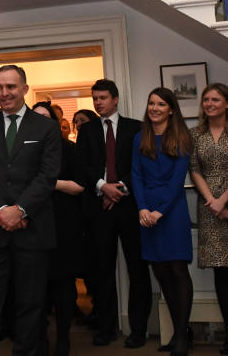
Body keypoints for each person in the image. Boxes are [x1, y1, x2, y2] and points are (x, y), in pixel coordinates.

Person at [0, 65, 61, 356]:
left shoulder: (46, 127)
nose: (4, 93)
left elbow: (47, 177)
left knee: (30, 304)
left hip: (33, 231)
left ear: (24, 89)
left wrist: (19, 210)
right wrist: (1, 211)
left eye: (10, 87)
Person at [77, 79, 151, 348]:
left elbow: (142, 164)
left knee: (137, 270)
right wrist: (102, 187)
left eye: (103, 98)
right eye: (95, 98)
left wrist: (119, 189)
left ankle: (138, 330)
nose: (98, 102)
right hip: (99, 210)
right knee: (102, 271)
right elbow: (81, 166)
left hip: (131, 207)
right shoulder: (86, 130)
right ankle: (106, 328)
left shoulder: (136, 128)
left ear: (115, 99)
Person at [131, 88, 194, 356]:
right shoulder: (139, 138)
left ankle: (181, 334)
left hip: (173, 211)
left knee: (178, 270)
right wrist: (143, 207)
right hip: (147, 213)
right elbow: (136, 175)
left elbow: (177, 180)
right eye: (151, 103)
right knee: (161, 272)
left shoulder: (181, 137)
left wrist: (160, 211)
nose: (154, 108)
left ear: (171, 109)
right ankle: (181, 331)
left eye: (160, 104)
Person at [189, 82, 228, 354]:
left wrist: (225, 199)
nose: (209, 104)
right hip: (209, 207)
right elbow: (195, 170)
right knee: (221, 274)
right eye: (206, 100)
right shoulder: (195, 133)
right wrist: (213, 200)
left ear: (227, 103)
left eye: (215, 99)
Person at [31, 101, 84, 356]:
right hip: (31, 225)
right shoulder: (23, 150)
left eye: (46, 117)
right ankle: (39, 340)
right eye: (35, 117)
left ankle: (64, 339)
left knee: (64, 286)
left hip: (64, 224)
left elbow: (79, 186)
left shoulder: (69, 149)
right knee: (35, 289)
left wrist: (47, 183)